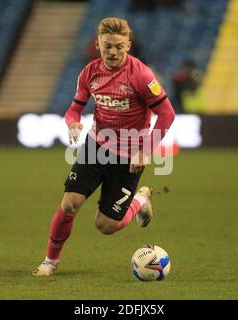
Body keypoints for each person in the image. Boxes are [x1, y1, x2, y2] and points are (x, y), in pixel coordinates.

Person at [33, 17, 176, 276]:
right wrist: (73, 122)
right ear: (97, 44)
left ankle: (140, 199)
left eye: (119, 46)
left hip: (130, 156)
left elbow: (167, 114)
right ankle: (50, 261)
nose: (113, 52)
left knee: (106, 225)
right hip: (96, 147)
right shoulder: (89, 73)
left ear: (128, 45)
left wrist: (145, 150)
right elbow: (74, 109)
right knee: (69, 204)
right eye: (107, 45)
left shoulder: (142, 75)